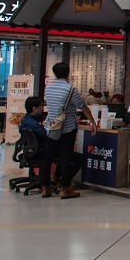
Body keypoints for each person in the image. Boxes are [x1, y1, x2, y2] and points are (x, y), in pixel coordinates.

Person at [42, 62, 93, 199]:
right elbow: (83, 107)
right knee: (66, 157)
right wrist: (92, 122)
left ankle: (45, 187)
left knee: (48, 157)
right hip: (67, 128)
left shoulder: (48, 89)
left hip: (51, 127)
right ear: (68, 72)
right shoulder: (70, 90)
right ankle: (65, 188)